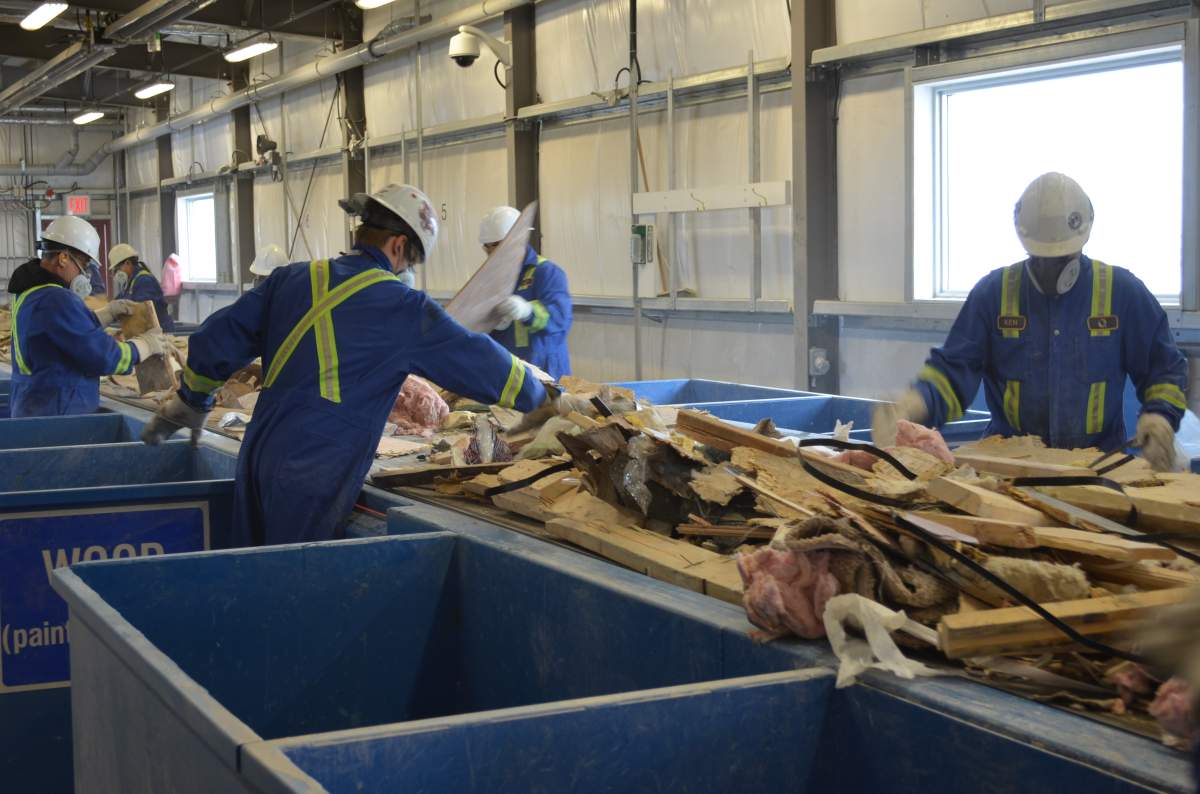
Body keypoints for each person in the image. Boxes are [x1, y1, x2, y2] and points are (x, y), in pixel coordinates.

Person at [141, 184, 553, 546]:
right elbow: (478, 361)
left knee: (251, 571)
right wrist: (541, 394)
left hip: (258, 453)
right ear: (397, 247)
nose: (406, 272)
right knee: (291, 590)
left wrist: (191, 401)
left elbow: (215, 339)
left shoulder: (291, 279)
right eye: (410, 262)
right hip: (315, 467)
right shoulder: (402, 307)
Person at [875, 172, 1188, 471]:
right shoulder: (993, 295)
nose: (1051, 271)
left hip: (1098, 470)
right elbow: (954, 372)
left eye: (1062, 259)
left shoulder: (1121, 293)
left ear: (1082, 241)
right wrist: (918, 403)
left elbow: (1164, 366)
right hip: (1009, 471)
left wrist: (1160, 415)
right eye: (1042, 259)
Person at [7, 217, 169, 417]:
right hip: (60, 413)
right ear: (63, 258)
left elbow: (61, 333)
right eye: (83, 263)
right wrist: (144, 346)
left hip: (35, 405)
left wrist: (105, 315)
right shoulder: (57, 299)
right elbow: (104, 358)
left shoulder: (30, 292)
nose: (85, 273)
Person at [479, 206, 573, 379]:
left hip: (546, 372)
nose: (492, 253)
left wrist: (527, 311)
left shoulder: (547, 272)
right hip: (509, 374)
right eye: (487, 247)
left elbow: (561, 318)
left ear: (518, 240)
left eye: (496, 245)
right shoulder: (491, 279)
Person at [109, 243, 175, 332]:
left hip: (159, 334)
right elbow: (117, 303)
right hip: (147, 332)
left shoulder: (145, 281)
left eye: (117, 269)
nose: (116, 273)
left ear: (128, 263)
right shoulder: (130, 282)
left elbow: (140, 311)